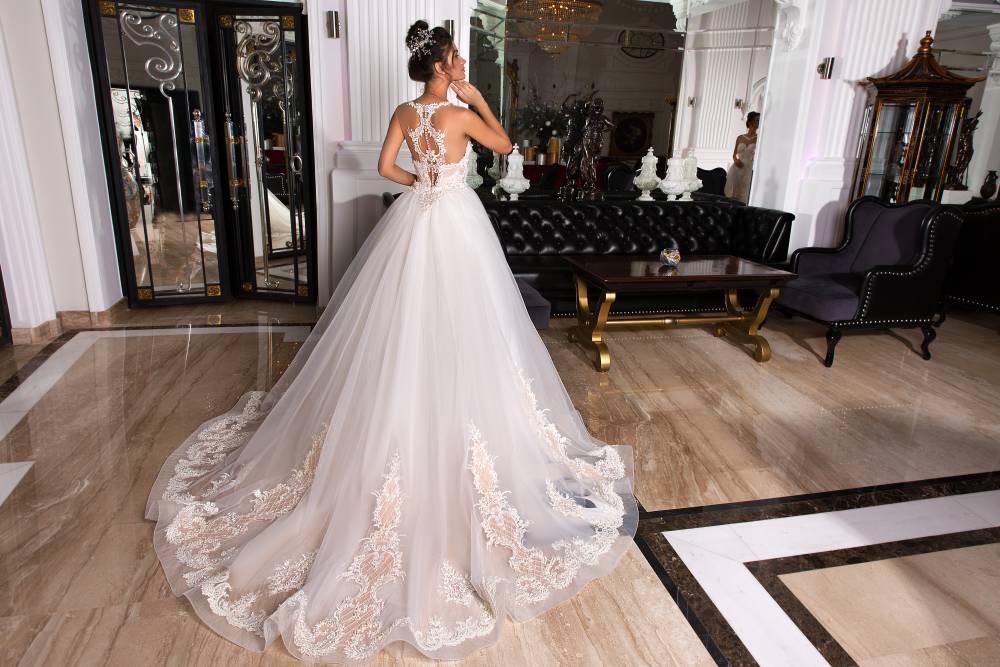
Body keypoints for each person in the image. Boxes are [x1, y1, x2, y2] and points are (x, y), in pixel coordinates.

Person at [145, 20, 638, 663]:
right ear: (442, 66)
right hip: (458, 227)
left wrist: (423, 188)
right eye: (456, 58)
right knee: (468, 327)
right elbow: (505, 145)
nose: (462, 65)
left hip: (417, 220)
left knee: (398, 326)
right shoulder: (460, 114)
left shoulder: (406, 112)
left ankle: (401, 412)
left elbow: (384, 168)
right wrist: (476, 103)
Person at [724, 111, 759, 203]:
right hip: (737, 167)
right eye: (757, 120)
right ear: (750, 122)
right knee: (734, 192)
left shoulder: (758, 138)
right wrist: (736, 160)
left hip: (749, 169)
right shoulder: (740, 137)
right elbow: (734, 154)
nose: (758, 122)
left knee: (745, 193)